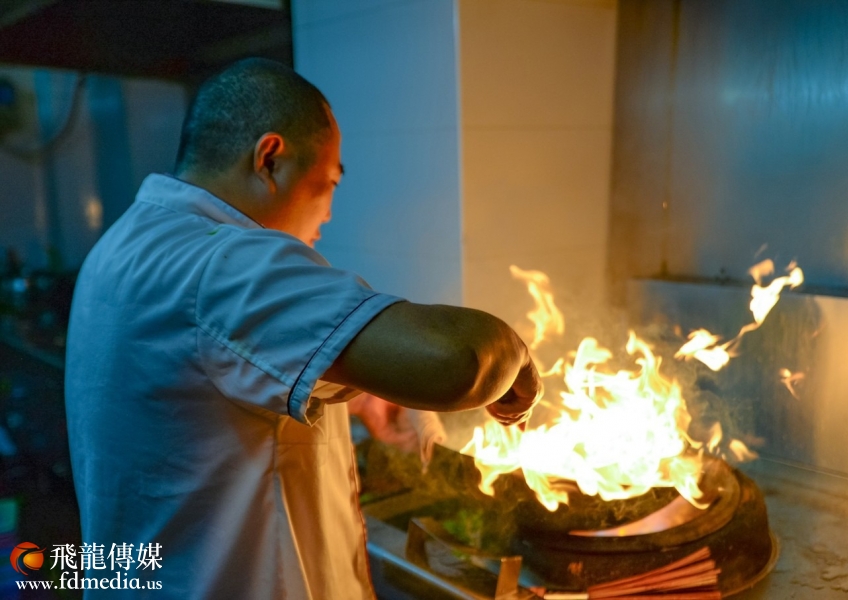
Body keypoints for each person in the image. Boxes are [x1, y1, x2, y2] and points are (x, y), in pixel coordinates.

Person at [64, 57, 542, 599]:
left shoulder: (128, 244)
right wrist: (518, 355)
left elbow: (200, 376)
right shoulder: (224, 263)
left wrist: (357, 394)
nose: (330, 213)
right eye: (329, 182)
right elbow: (458, 362)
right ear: (270, 158)